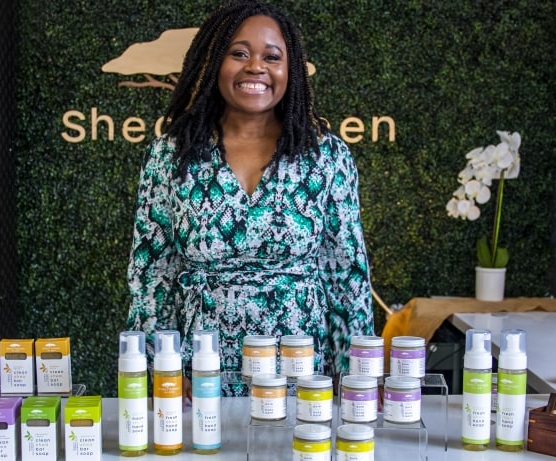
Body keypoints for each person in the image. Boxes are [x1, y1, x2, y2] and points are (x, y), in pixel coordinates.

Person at [125, 0, 374, 394]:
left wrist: (357, 375)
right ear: (213, 64)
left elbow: (347, 276)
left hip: (300, 373)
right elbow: (152, 275)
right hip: (202, 370)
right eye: (238, 53)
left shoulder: (326, 156)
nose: (255, 67)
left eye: (271, 56)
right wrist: (163, 371)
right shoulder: (172, 155)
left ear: (289, 70)